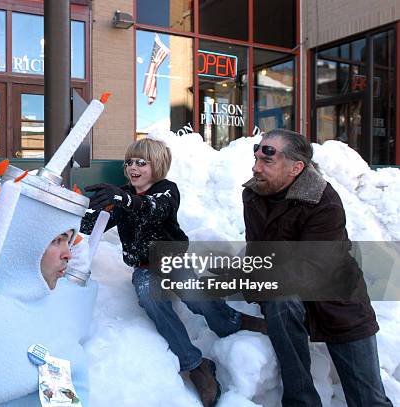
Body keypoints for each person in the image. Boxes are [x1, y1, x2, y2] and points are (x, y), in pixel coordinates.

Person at [80, 138, 266, 407]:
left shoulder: (166, 190)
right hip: (144, 267)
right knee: (149, 298)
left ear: (158, 165)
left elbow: (154, 210)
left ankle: (229, 320)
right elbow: (92, 225)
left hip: (171, 260)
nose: (133, 167)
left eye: (141, 162)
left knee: (193, 293)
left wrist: (123, 199)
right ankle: (196, 364)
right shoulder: (121, 198)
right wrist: (77, 206)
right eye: (130, 162)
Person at [243, 129, 392, 407]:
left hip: (337, 298)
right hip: (287, 290)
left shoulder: (324, 200)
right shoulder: (254, 194)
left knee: (368, 399)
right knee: (280, 301)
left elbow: (314, 266)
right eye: (256, 158)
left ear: (296, 168)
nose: (256, 167)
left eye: (267, 162)